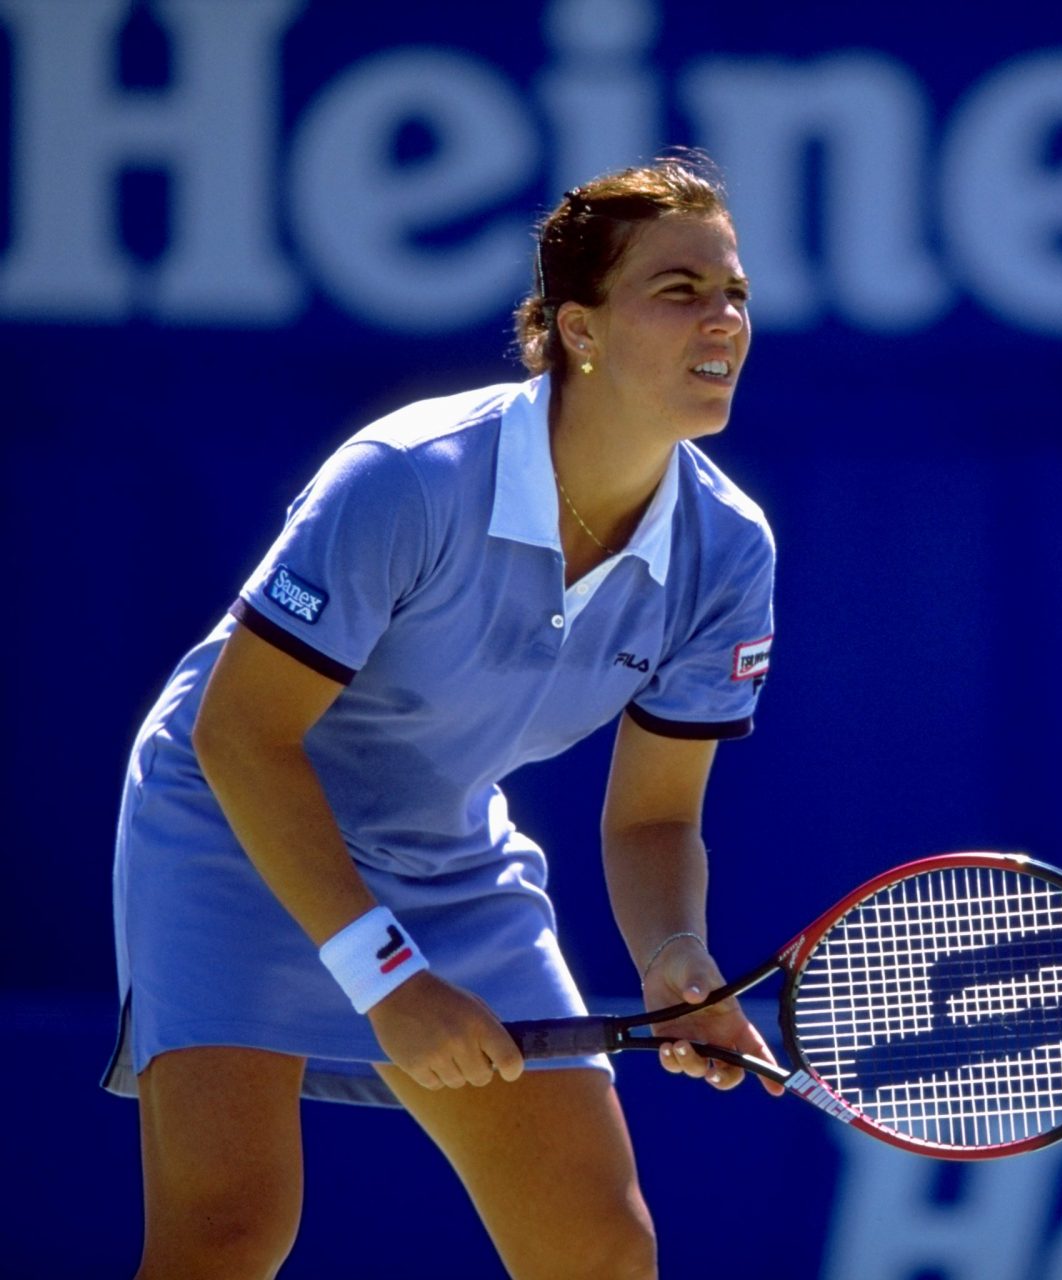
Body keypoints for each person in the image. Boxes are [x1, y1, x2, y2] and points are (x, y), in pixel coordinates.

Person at [104, 153, 777, 1280]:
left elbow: (654, 819)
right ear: (580, 328)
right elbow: (239, 734)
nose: (724, 321)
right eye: (680, 291)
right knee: (227, 1232)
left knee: (600, 1250)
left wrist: (675, 957)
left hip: (447, 852)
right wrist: (387, 973)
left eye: (736, 293)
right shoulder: (408, 476)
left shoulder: (731, 548)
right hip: (232, 822)